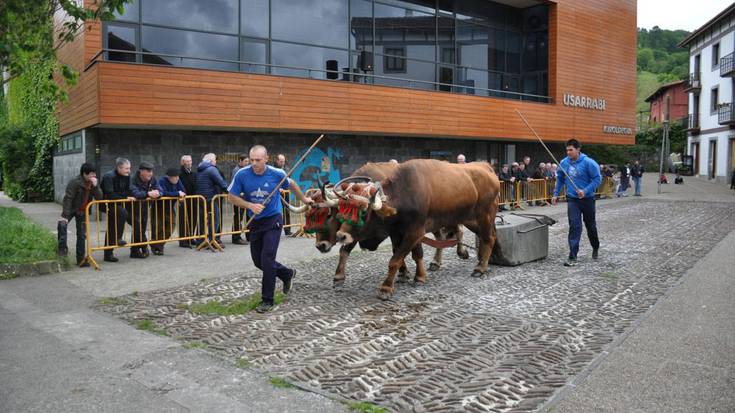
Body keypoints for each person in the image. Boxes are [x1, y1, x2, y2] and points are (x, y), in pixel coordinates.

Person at [227, 145, 313, 313]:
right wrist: (249, 205)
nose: (254, 163)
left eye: (258, 160)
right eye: (251, 160)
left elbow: (292, 183)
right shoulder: (242, 174)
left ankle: (267, 300)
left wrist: (304, 199)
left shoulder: (277, 174)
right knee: (258, 261)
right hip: (256, 222)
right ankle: (287, 273)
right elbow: (231, 197)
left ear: (266, 159)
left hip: (273, 219)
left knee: (267, 258)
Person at [552, 139, 601, 267]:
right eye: (567, 150)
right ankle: (572, 256)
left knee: (590, 225)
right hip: (573, 199)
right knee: (574, 226)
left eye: (571, 150)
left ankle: (595, 246)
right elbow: (560, 178)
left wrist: (585, 191)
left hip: (587, 199)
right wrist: (555, 194)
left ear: (578, 149)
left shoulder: (589, 163)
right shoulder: (564, 163)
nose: (568, 152)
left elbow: (597, 179)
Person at [58, 163, 103, 267]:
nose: (94, 176)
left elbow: (99, 198)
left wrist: (96, 187)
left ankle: (81, 259)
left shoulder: (93, 183)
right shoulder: (74, 182)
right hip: (72, 209)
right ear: (84, 174)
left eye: (94, 173)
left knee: (82, 235)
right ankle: (62, 250)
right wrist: (65, 215)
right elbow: (68, 199)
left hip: (83, 211)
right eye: (91, 174)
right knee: (62, 225)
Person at [100, 158, 135, 263]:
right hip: (108, 204)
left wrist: (128, 196)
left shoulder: (127, 176)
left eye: (129, 168)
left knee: (134, 220)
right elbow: (110, 194)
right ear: (119, 167)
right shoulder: (108, 177)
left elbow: (129, 190)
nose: (129, 171)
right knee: (118, 218)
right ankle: (117, 240)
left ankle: (136, 248)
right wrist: (126, 197)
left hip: (120, 203)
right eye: (126, 168)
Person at [151, 168, 186, 255]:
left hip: (169, 208)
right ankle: (159, 247)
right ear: (169, 177)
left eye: (178, 176)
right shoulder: (162, 181)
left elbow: (183, 191)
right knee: (158, 228)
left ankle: (156, 244)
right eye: (175, 177)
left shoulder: (178, 181)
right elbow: (163, 193)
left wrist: (181, 195)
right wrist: (177, 194)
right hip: (158, 208)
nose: (177, 178)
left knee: (171, 227)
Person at [196, 153, 228, 247]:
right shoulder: (211, 169)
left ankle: (201, 241)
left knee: (202, 220)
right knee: (214, 219)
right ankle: (212, 240)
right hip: (211, 198)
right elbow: (221, 182)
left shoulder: (200, 169)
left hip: (201, 198)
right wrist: (230, 191)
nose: (215, 162)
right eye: (214, 160)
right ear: (210, 160)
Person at [130, 162, 161, 258]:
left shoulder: (152, 179)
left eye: (151, 171)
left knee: (140, 228)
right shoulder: (132, 180)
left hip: (144, 208)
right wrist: (148, 194)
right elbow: (136, 193)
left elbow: (160, 190)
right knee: (138, 228)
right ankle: (143, 247)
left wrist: (158, 194)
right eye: (148, 171)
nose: (150, 173)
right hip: (131, 208)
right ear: (141, 171)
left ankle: (135, 250)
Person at [178, 155, 197, 248]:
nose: (189, 163)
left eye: (190, 161)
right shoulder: (180, 174)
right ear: (182, 163)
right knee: (184, 220)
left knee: (193, 219)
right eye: (187, 161)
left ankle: (190, 237)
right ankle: (183, 240)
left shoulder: (192, 173)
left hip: (193, 199)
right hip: (184, 199)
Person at [232, 154, 250, 245]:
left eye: (248, 161)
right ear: (240, 161)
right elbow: (235, 184)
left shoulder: (246, 170)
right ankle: (236, 237)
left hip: (246, 198)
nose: (248, 163)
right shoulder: (237, 171)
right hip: (239, 198)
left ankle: (249, 236)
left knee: (248, 216)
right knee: (238, 217)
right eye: (246, 161)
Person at [274, 153, 292, 236]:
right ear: (277, 161)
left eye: (283, 161)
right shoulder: (272, 169)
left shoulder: (286, 169)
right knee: (275, 211)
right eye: (281, 161)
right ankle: (274, 229)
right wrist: (278, 187)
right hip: (275, 193)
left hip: (285, 192)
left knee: (287, 210)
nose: (282, 163)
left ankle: (287, 230)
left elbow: (288, 180)